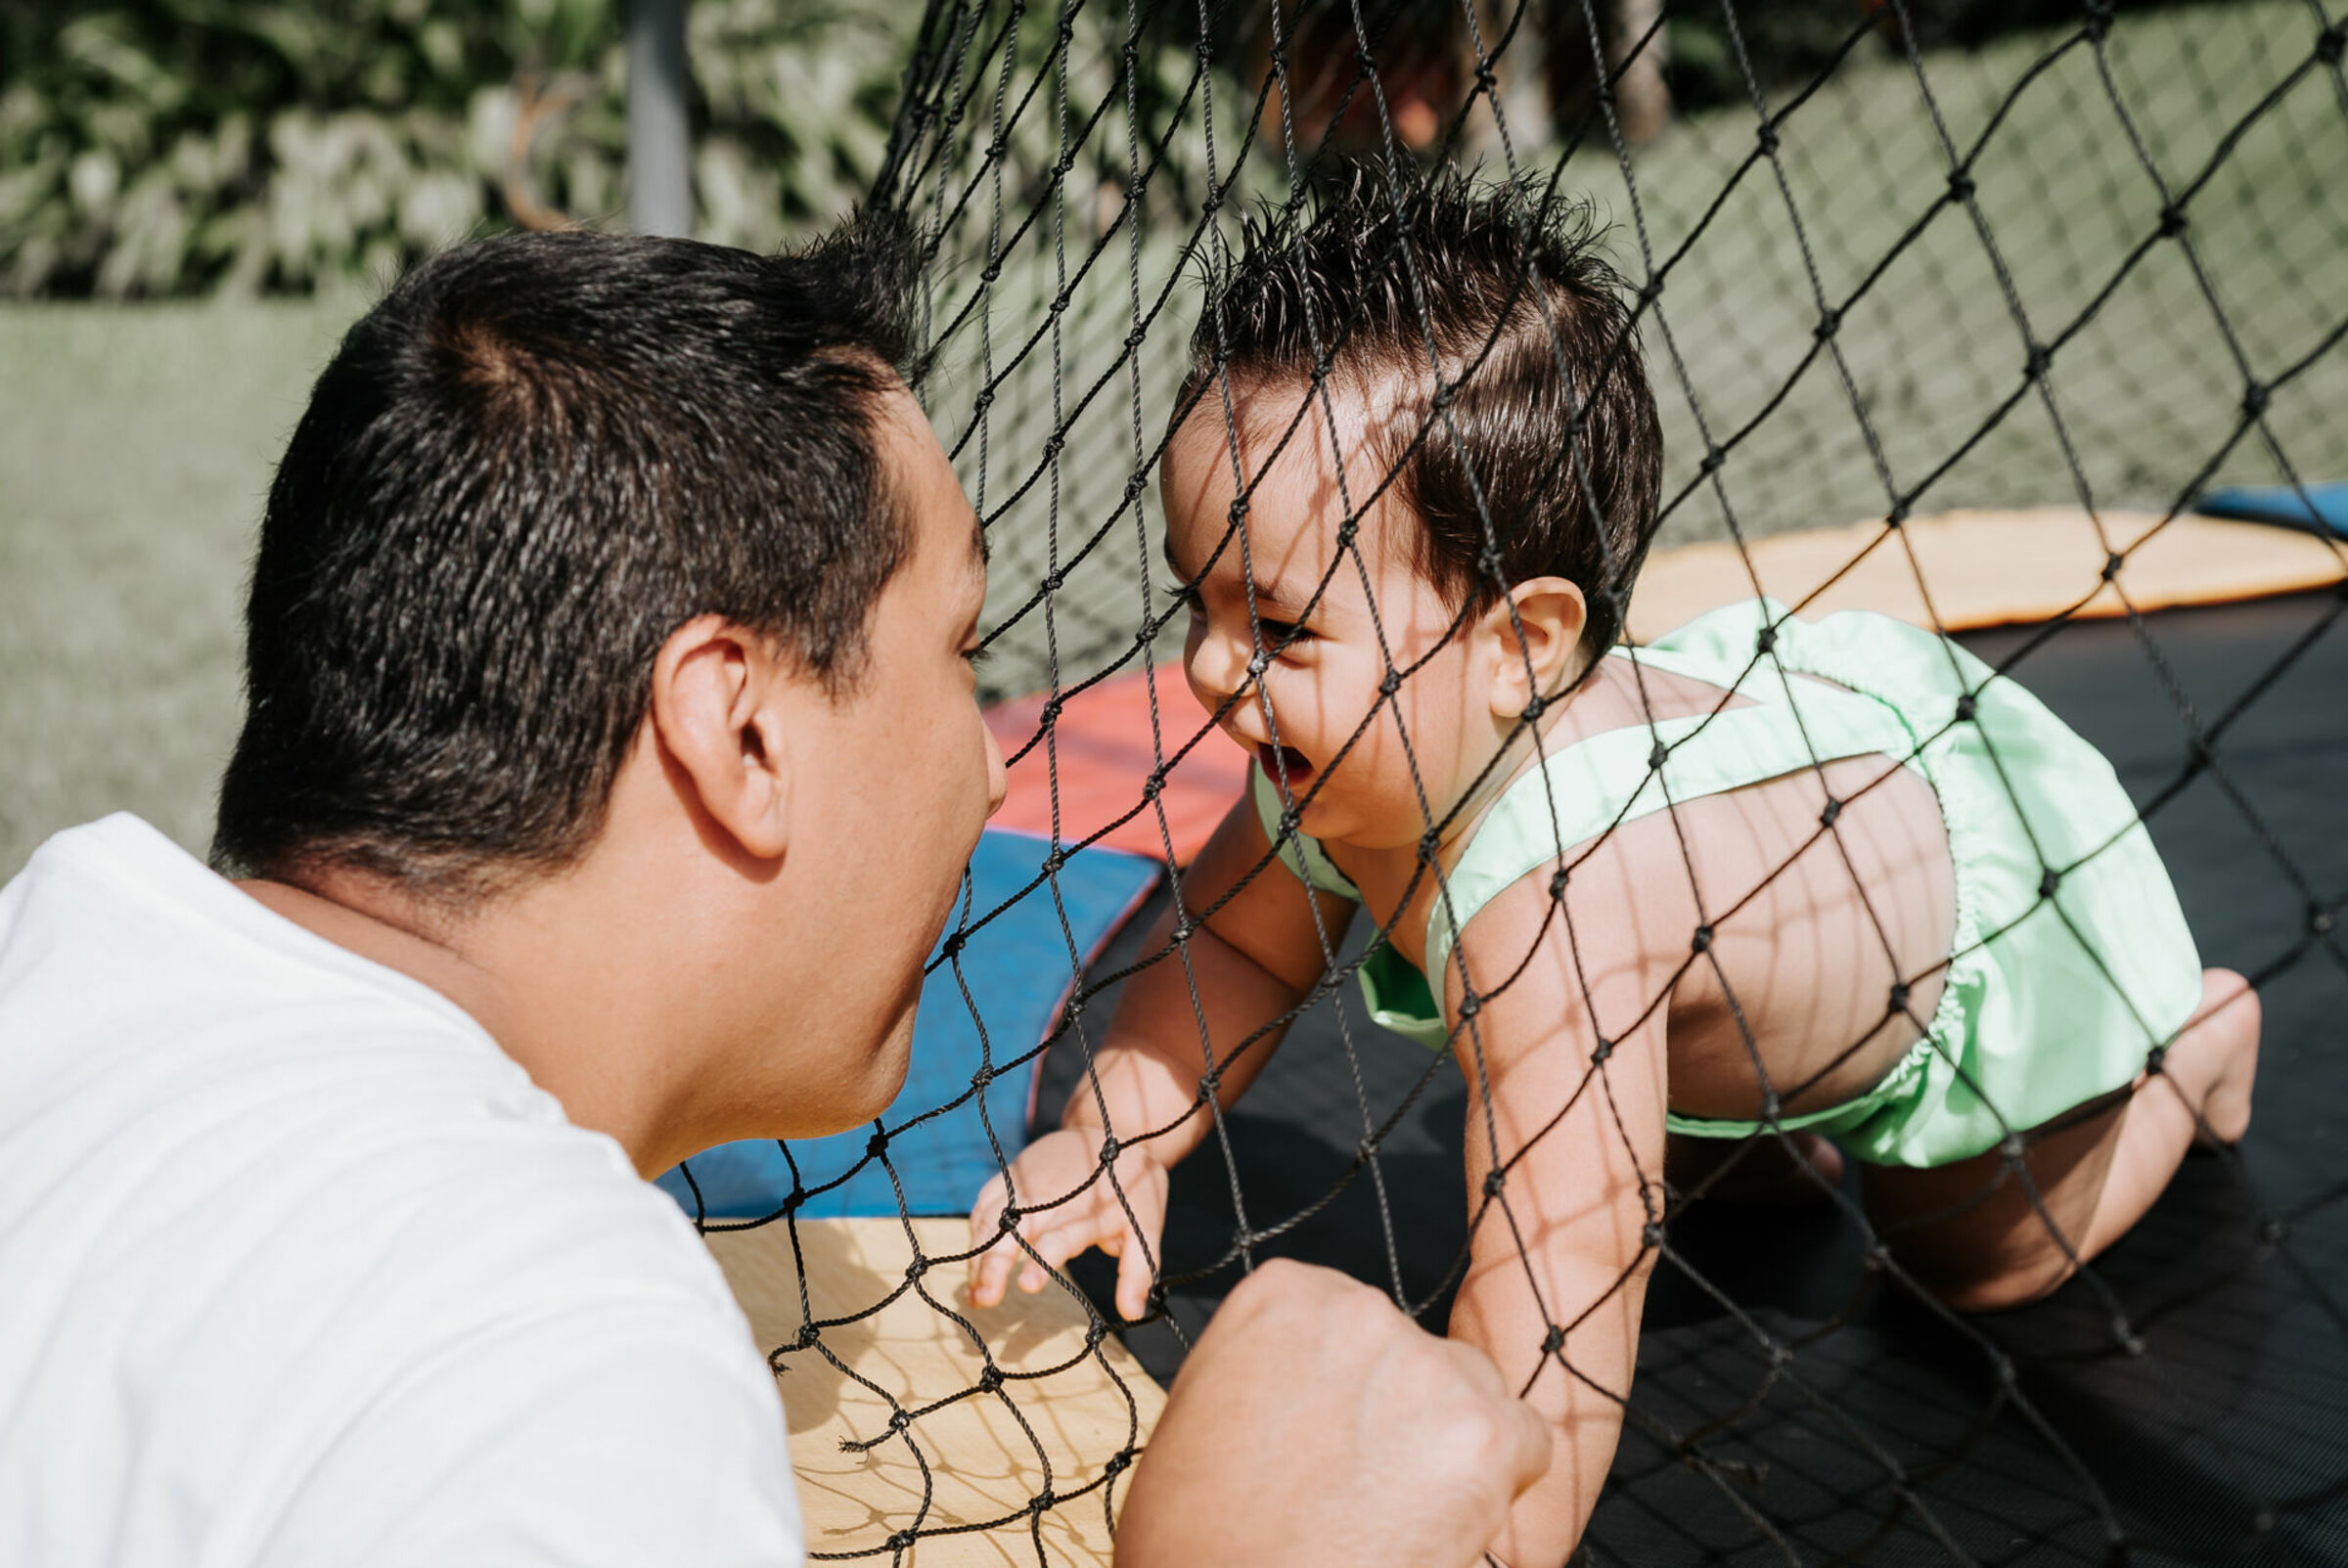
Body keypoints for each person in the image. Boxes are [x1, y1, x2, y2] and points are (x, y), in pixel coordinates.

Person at [0, 217, 1551, 1568]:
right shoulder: (569, 1378)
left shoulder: (52, 944)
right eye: (963, 658)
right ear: (737, 730)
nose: (995, 768)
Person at [967, 171, 2264, 1564]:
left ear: (1524, 643)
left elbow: (1562, 1277)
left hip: (1979, 910)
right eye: (1198, 601)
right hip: (1771, 824)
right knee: (1670, 1144)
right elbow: (1233, 946)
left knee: (1980, 1263)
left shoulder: (1564, 906)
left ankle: (2190, 1047)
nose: (1215, 670)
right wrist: (1110, 1138)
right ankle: (1755, 1125)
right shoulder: (1341, 743)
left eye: (1276, 622)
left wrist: (1507, 1534)